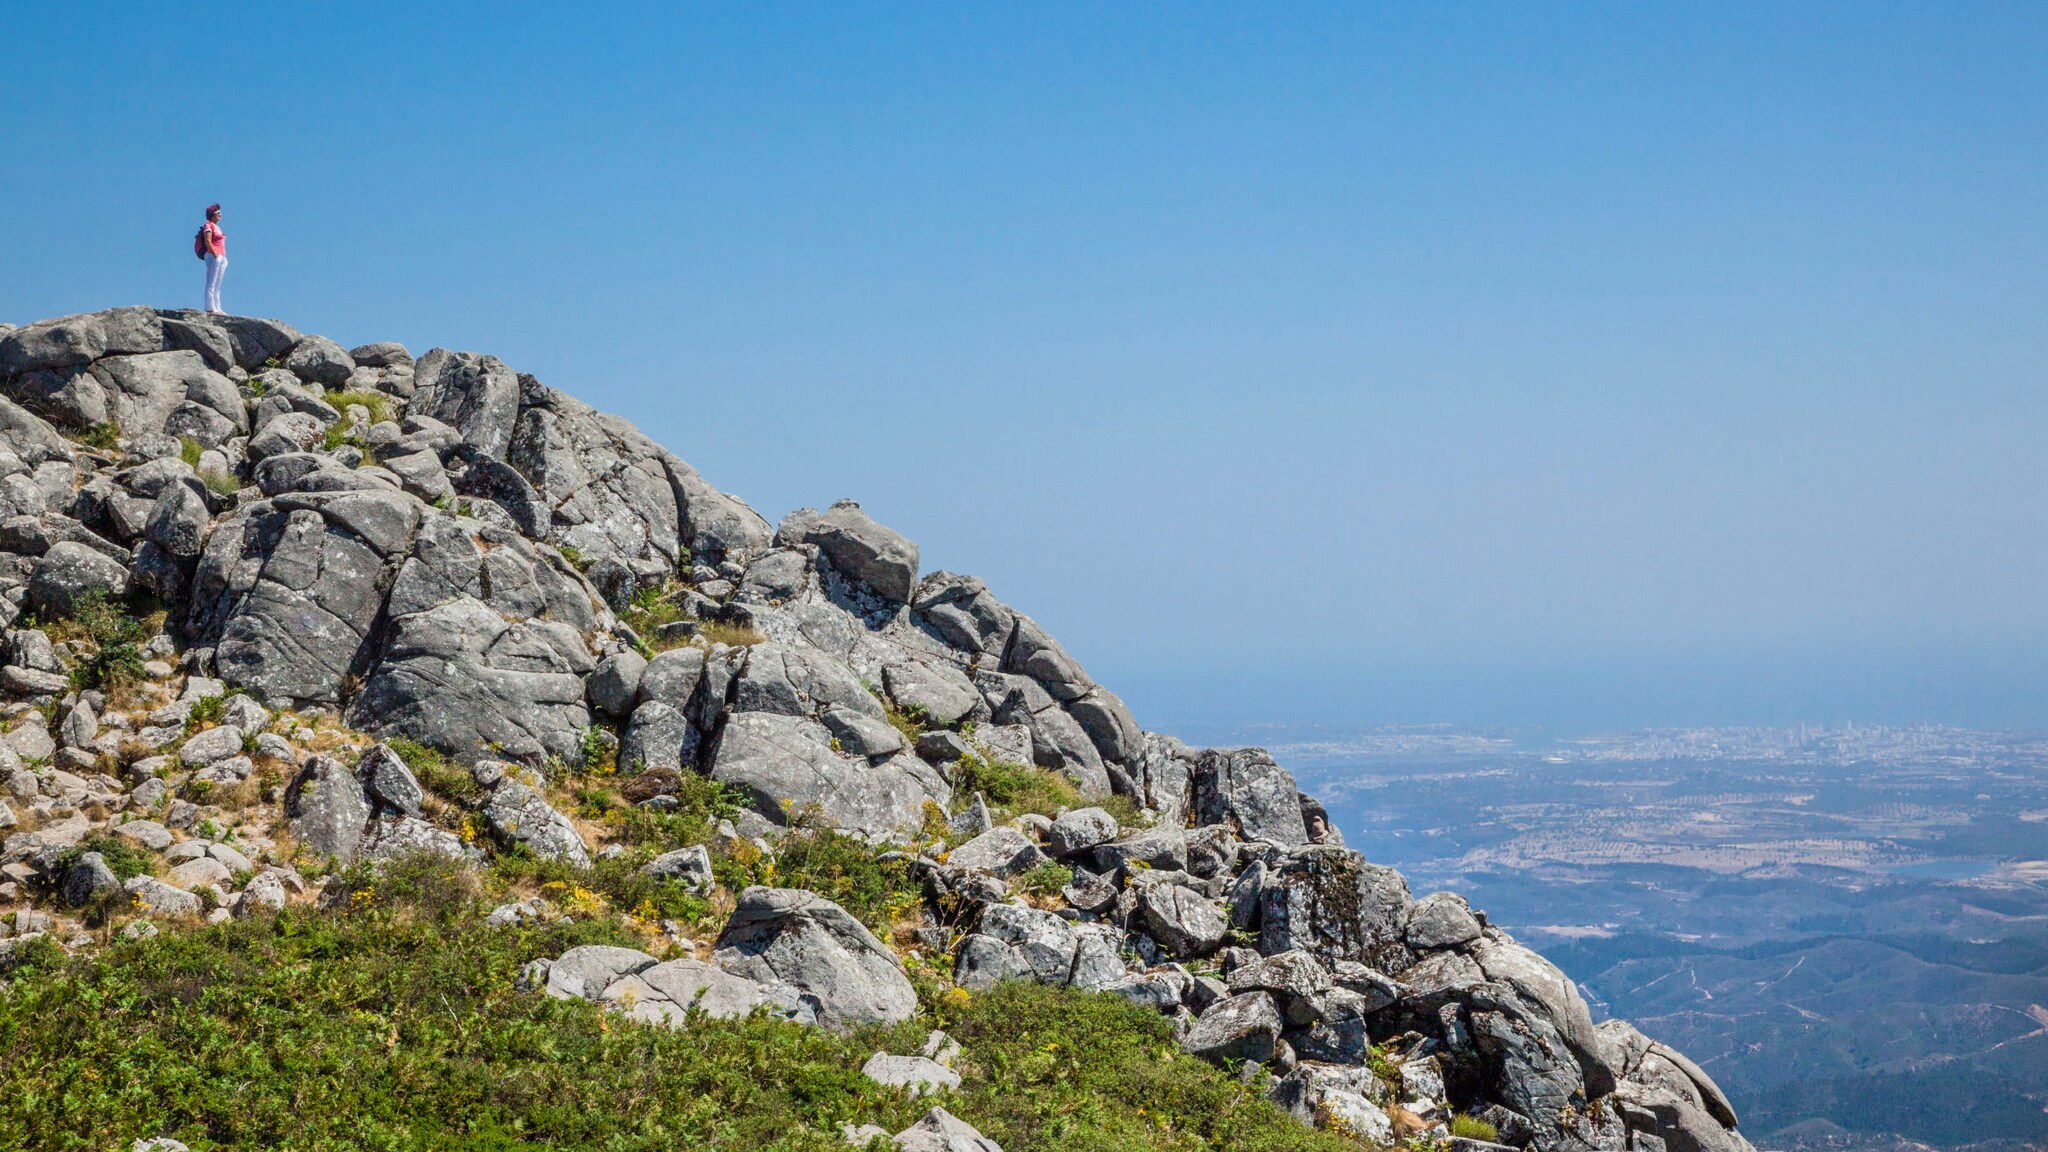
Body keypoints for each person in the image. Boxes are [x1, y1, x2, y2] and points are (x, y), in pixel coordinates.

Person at [197, 204, 226, 313]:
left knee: (218, 283)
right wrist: (215, 255)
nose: (220, 215)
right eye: (218, 213)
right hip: (214, 256)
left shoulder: (217, 227)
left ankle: (217, 307)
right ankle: (209, 307)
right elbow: (208, 241)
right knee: (211, 281)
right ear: (212, 215)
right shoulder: (208, 225)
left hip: (221, 257)